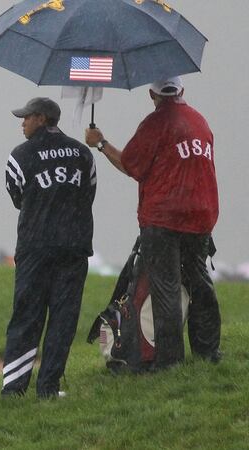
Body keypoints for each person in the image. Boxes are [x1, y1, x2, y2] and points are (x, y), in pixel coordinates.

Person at [85, 76, 221, 369]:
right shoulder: (200, 121)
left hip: (163, 219)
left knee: (167, 288)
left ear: (152, 94)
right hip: (202, 216)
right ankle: (208, 352)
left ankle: (170, 361)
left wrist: (101, 143)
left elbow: (131, 165)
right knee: (200, 282)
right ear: (181, 90)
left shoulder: (155, 123)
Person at [1, 97, 97, 398]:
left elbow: (17, 197)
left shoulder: (20, 155)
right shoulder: (82, 154)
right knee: (63, 318)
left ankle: (14, 389)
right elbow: (88, 194)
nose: (23, 123)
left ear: (41, 119)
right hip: (74, 248)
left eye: (26, 117)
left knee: (27, 316)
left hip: (35, 248)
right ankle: (49, 388)